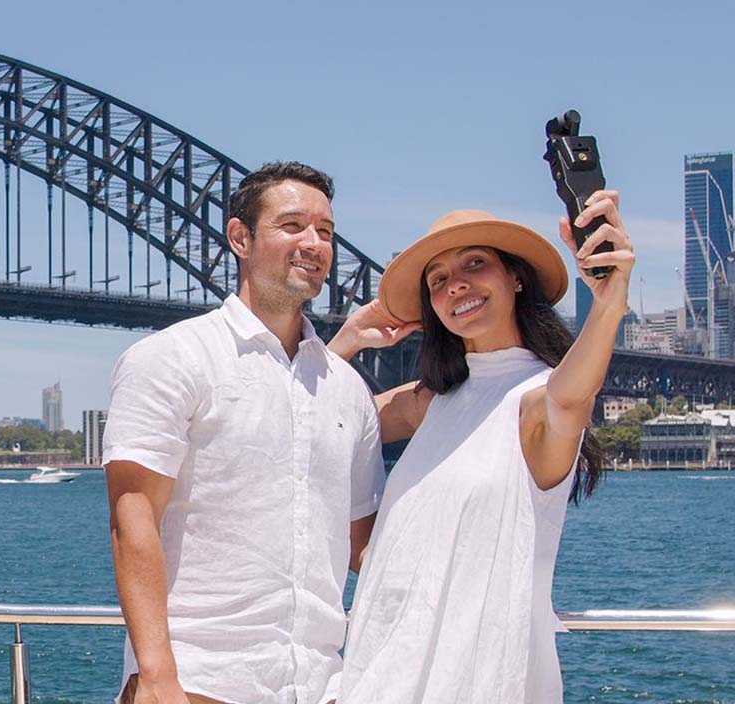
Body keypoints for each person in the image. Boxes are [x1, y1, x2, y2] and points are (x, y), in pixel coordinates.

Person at [326, 192, 633, 703]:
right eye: (438, 279)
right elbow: (314, 424)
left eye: (474, 263)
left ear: (516, 277)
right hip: (380, 679)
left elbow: (571, 396)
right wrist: (346, 343)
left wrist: (608, 301)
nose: (456, 284)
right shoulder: (433, 402)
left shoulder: (535, 402)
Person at [103, 162, 387, 704]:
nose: (314, 243)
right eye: (292, 225)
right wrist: (158, 678)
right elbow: (132, 518)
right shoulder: (171, 358)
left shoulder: (347, 389)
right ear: (240, 237)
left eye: (325, 231)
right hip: (201, 683)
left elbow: (364, 546)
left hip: (322, 686)